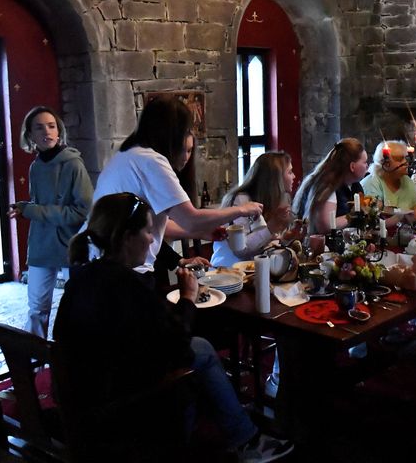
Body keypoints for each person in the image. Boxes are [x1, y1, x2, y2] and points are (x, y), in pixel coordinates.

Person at [54, 193, 293, 462]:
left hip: (82, 395)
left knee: (200, 347)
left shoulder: (82, 277)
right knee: (200, 350)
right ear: (127, 237)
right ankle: (245, 439)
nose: (151, 240)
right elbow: (178, 348)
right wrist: (188, 297)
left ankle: (226, 426)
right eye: (148, 231)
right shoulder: (128, 286)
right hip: (119, 406)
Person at [89, 97, 263, 282]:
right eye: (185, 131)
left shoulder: (129, 155)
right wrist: (241, 209)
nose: (187, 153)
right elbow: (190, 219)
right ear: (171, 134)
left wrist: (199, 233)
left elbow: (161, 224)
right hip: (117, 269)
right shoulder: (151, 161)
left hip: (98, 263)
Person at [8, 106, 92, 338]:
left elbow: (82, 211)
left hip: (71, 244)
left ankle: (72, 354)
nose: (47, 131)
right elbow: (41, 204)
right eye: (39, 127)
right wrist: (25, 208)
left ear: (59, 131)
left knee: (78, 306)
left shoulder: (73, 164)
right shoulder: (36, 167)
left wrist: (32, 210)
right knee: (36, 309)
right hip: (42, 243)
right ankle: (37, 357)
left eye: (51, 126)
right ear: (30, 135)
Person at [210, 151, 297, 268]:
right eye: (290, 172)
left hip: (255, 271)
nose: (294, 176)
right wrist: (270, 228)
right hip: (227, 272)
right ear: (276, 178)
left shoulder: (274, 200)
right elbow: (241, 250)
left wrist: (286, 238)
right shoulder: (240, 202)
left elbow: (264, 246)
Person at [292, 138, 368, 234]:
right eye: (364, 162)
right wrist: (354, 216)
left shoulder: (355, 186)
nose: (367, 166)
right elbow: (325, 225)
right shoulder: (327, 186)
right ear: (352, 166)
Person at [361, 140, 416, 212]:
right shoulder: (371, 183)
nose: (405, 162)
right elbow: (374, 213)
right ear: (384, 163)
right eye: (399, 159)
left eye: (405, 158)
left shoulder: (406, 180)